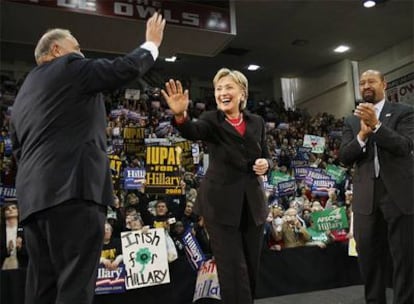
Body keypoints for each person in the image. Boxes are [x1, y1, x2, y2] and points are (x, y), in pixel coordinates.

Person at [10, 13, 165, 304]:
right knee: (75, 284)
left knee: (42, 287)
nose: (82, 54)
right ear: (56, 50)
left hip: (33, 202)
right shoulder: (69, 67)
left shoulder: (24, 92)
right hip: (74, 192)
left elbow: (18, 149)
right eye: (77, 47)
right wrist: (151, 45)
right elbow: (122, 69)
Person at [161, 68, 272, 304]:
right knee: (233, 270)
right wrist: (181, 117)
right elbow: (193, 130)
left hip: (252, 207)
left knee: (250, 268)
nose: (222, 92)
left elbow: (266, 155)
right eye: (218, 89)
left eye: (228, 87)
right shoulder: (211, 120)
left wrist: (266, 163)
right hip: (220, 207)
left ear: (242, 93)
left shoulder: (257, 122)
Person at [339, 69, 414, 304]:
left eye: (371, 81)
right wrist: (361, 135)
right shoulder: (351, 120)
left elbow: (404, 146)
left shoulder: (405, 112)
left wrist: (377, 126)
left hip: (399, 196)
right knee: (369, 260)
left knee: (405, 258)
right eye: (362, 83)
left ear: (384, 84)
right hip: (365, 199)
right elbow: (344, 157)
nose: (365, 86)